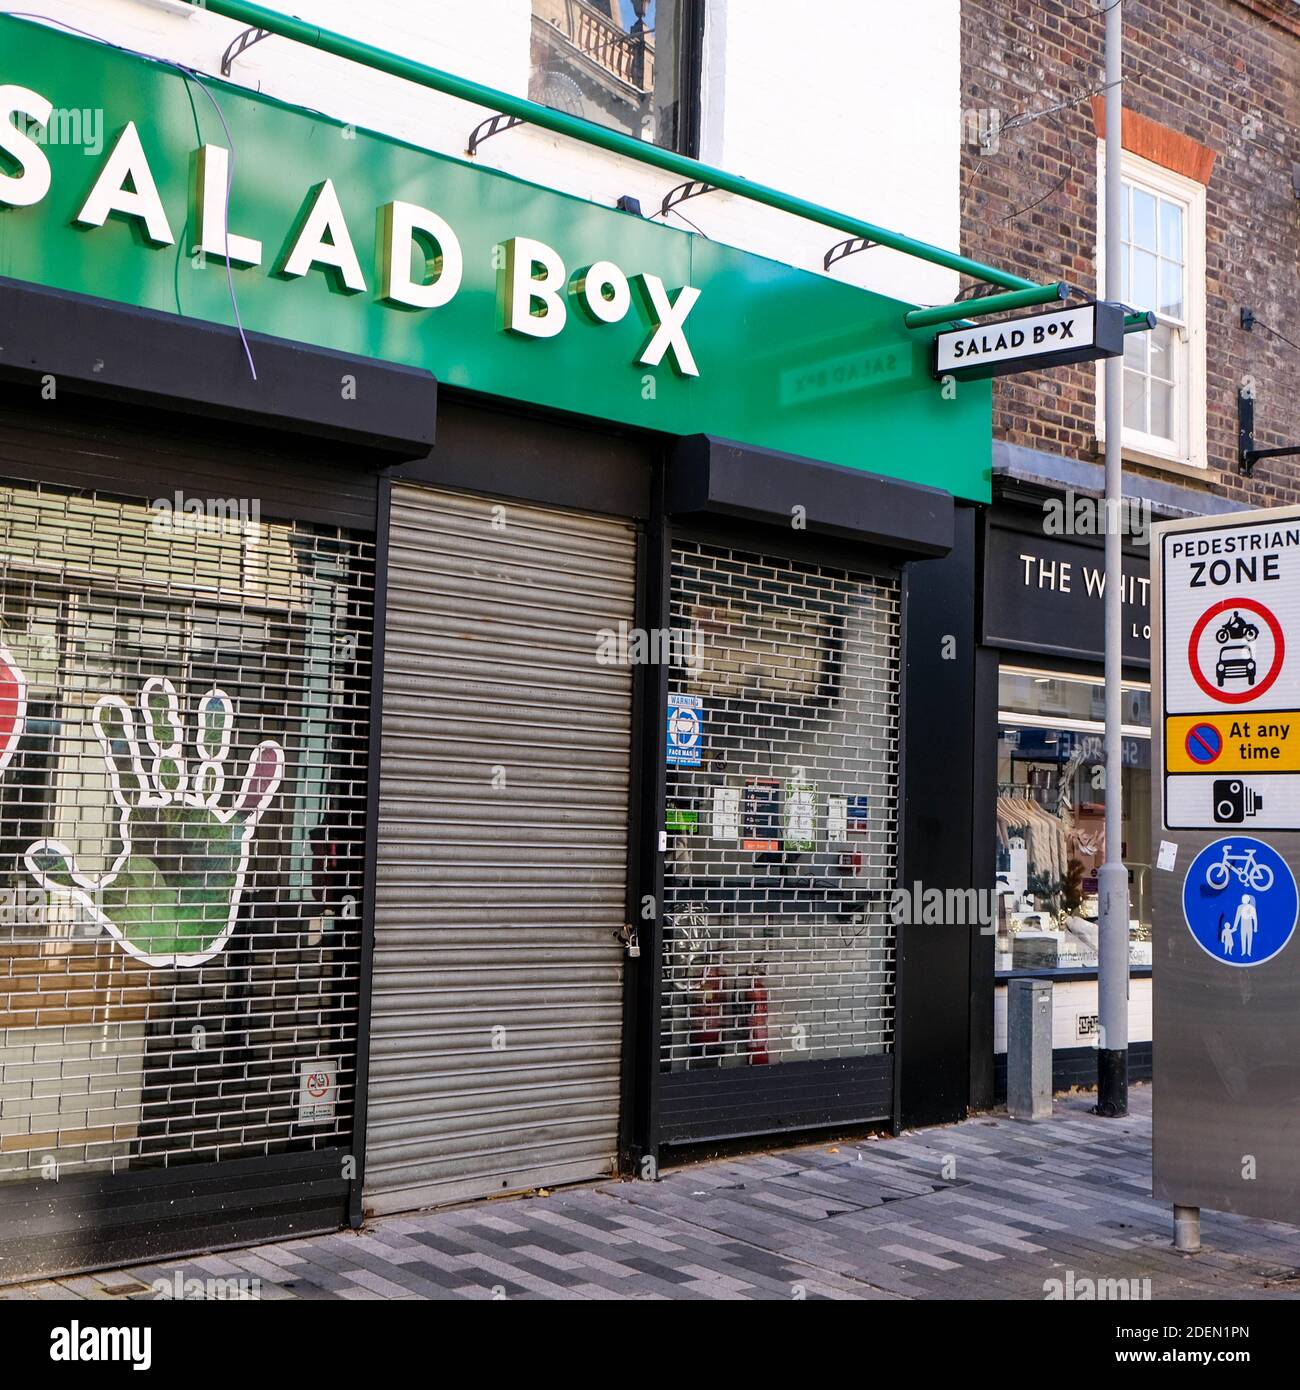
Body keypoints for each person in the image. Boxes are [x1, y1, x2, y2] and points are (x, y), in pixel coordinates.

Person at [1234, 894, 1258, 959]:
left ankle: (1249, 952)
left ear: (1248, 900)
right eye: (1243, 899)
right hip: (1243, 923)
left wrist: (1255, 927)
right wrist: (1235, 927)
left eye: (1245, 899)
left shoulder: (1252, 907)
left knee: (1250, 937)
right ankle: (1243, 951)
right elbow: (1237, 918)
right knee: (1243, 937)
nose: (1244, 900)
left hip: (1249, 923)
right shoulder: (1240, 907)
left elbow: (1255, 918)